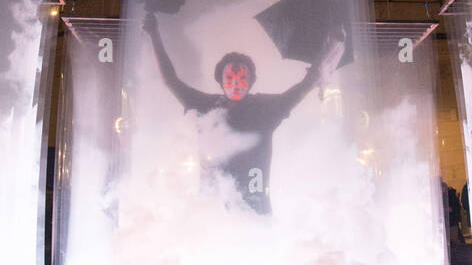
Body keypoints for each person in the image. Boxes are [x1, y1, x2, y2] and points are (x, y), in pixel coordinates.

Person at [143, 11, 344, 216]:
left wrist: (334, 45)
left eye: (242, 77)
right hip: (212, 212)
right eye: (230, 76)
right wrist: (153, 34)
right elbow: (171, 81)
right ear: (220, 80)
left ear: (251, 81)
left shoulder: (265, 108)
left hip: (254, 208)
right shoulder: (206, 105)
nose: (237, 82)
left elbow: (306, 84)